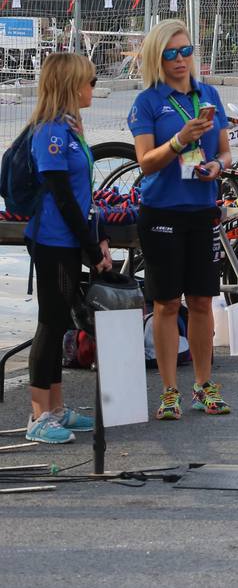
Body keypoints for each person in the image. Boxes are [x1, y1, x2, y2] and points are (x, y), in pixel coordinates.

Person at [129, 19, 233, 420]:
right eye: (171, 53)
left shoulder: (208, 96)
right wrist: (179, 141)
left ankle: (205, 385)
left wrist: (217, 167)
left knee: (203, 300)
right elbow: (145, 163)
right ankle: (169, 390)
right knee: (167, 302)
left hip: (201, 210)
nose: (180, 60)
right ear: (158, 58)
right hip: (162, 212)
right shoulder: (148, 102)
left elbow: (225, 151)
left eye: (186, 51)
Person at [21, 53, 109, 444]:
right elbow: (62, 197)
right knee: (51, 323)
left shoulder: (70, 127)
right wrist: (91, 247)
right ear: (72, 86)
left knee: (59, 325)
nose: (94, 87)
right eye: (89, 81)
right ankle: (39, 414)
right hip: (55, 240)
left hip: (69, 239)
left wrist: (96, 235)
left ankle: (55, 408)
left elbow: (81, 192)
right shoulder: (51, 131)